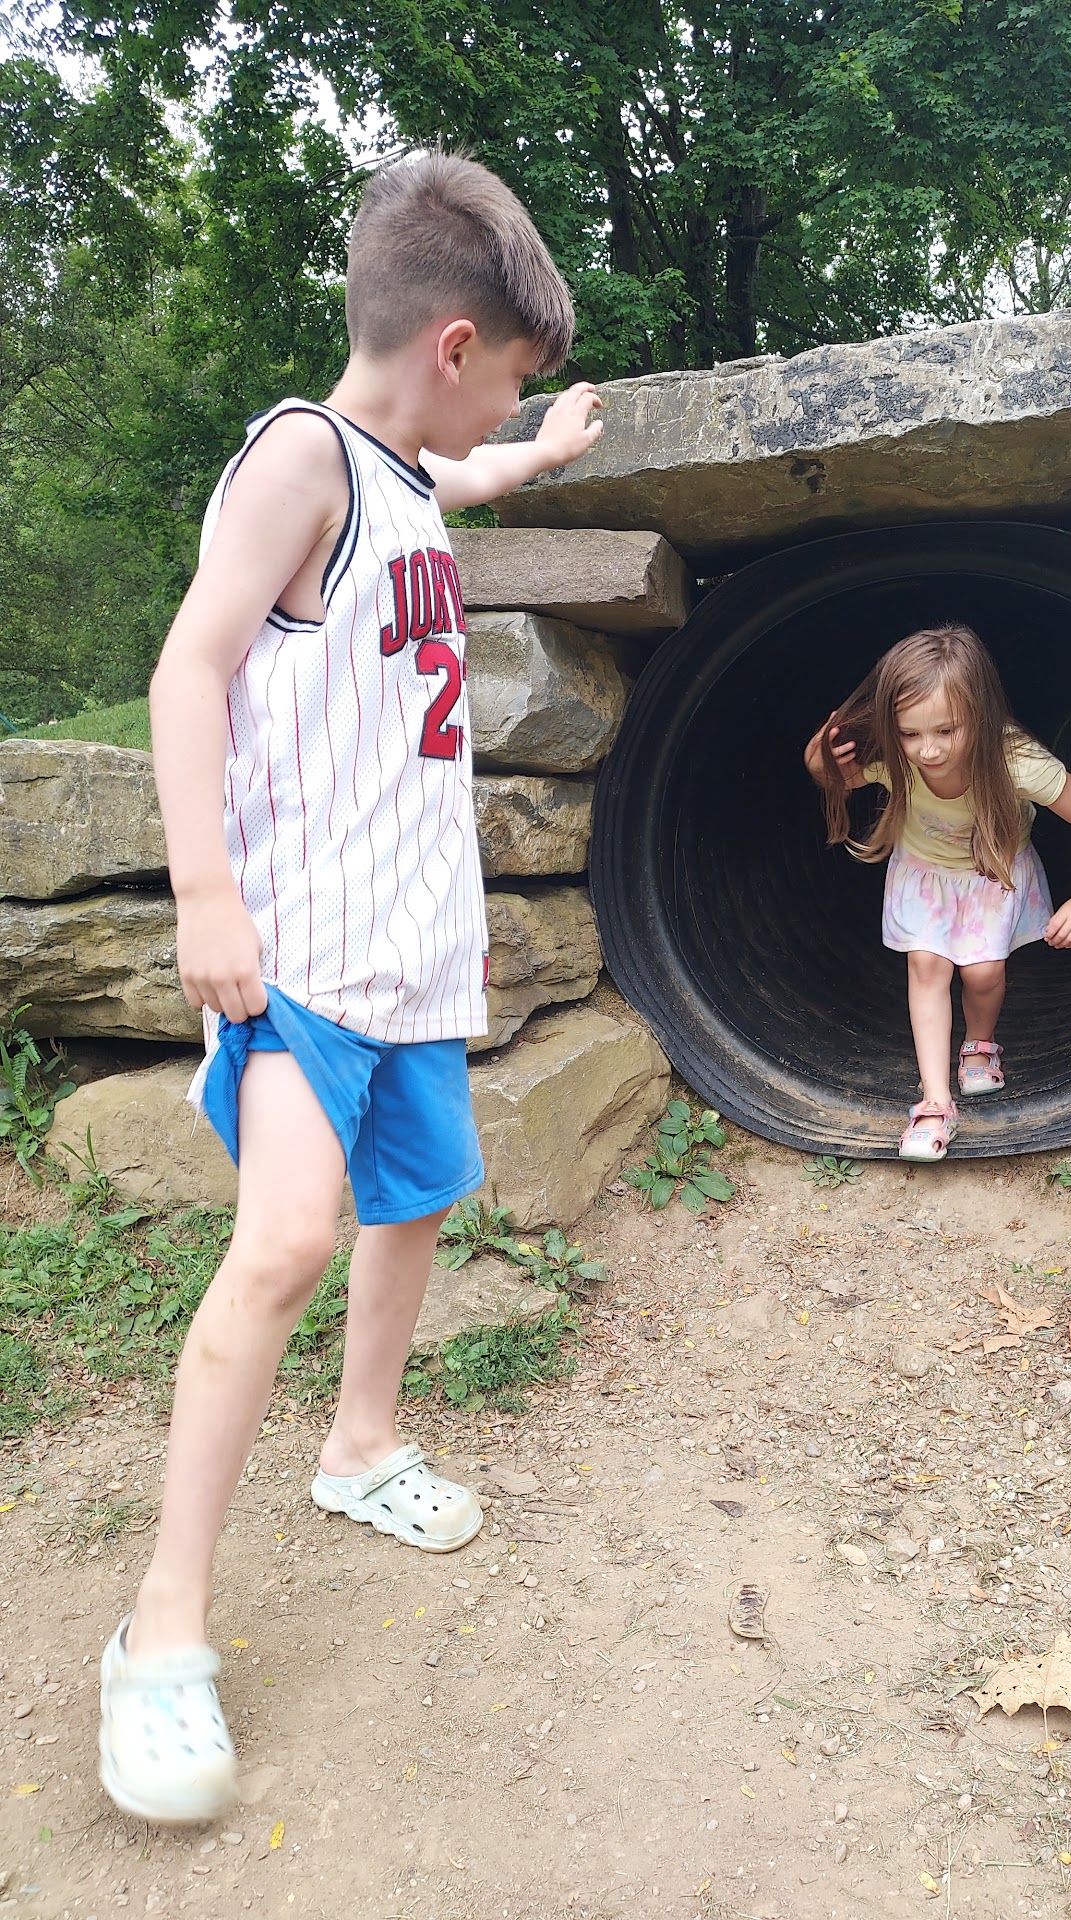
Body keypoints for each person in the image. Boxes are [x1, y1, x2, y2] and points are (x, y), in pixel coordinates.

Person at [98, 150, 603, 1826]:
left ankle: (361, 1446)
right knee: (288, 1243)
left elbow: (464, 474)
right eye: (507, 378)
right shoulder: (301, 458)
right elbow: (190, 665)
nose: (503, 407)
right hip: (302, 951)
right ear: (453, 344)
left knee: (418, 1197)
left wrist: (543, 448)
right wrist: (205, 891)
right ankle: (162, 1626)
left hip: (414, 952)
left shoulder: (405, 471)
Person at [803, 624, 1071, 1159]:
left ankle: (979, 1045)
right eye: (910, 733)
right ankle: (935, 1102)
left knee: (983, 973)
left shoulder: (1015, 760)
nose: (928, 750)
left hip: (991, 876)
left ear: (982, 715)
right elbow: (839, 780)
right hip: (925, 876)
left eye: (947, 730)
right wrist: (819, 757)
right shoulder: (896, 757)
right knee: (927, 967)